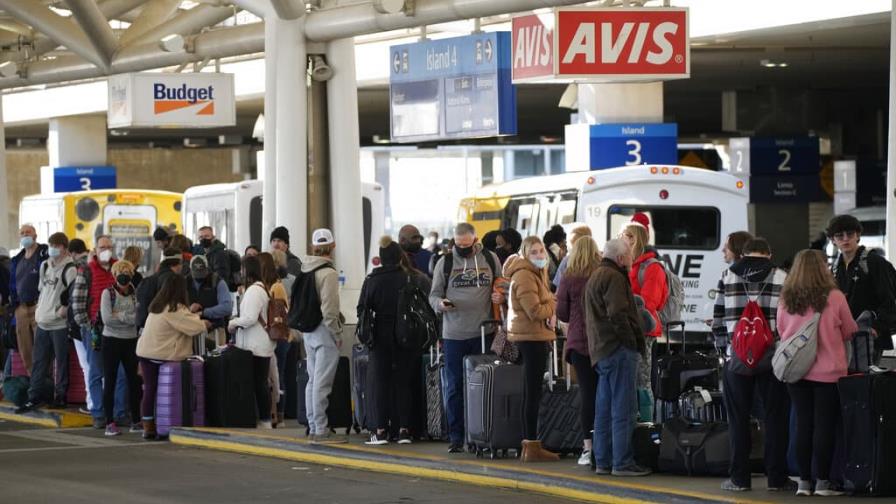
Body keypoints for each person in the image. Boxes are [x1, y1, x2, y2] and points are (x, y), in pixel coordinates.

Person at [713, 238, 792, 493]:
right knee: (775, 419)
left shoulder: (727, 276)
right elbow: (791, 320)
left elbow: (718, 320)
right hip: (773, 358)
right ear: (769, 254)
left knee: (738, 419)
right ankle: (777, 479)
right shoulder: (783, 277)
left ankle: (739, 479)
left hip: (737, 359)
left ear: (744, 254)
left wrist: (725, 351)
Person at [777, 250, 857, 497]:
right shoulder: (835, 297)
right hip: (828, 373)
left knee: (802, 425)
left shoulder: (787, 298)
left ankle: (803, 483)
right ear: (824, 269)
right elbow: (849, 330)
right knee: (825, 426)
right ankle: (822, 483)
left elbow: (781, 331)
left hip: (796, 372)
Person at [429, 222, 503, 453]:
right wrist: (440, 305)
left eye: (466, 244)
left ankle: (481, 435)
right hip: (454, 334)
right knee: (454, 387)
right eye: (457, 244)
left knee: (484, 386)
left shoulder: (490, 259)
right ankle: (456, 436)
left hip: (485, 332)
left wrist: (500, 295)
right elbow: (433, 295)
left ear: (475, 239)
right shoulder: (446, 262)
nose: (461, 248)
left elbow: (501, 284)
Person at [584, 238, 650, 477]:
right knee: (624, 409)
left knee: (603, 410)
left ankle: (603, 461)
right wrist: (631, 342)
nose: (631, 261)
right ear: (621, 258)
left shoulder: (596, 275)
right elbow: (618, 314)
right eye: (630, 257)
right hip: (618, 350)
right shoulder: (614, 277)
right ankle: (622, 463)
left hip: (601, 351)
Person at [359, 236, 431, 445]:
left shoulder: (373, 280)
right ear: (400, 257)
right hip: (406, 335)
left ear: (381, 259)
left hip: (379, 336)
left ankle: (380, 431)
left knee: (379, 383)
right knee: (403, 383)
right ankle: (404, 430)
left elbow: (362, 308)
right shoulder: (409, 278)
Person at [504, 236, 558, 462]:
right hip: (531, 339)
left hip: (533, 337)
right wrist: (554, 304)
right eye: (534, 252)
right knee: (532, 394)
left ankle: (530, 444)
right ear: (525, 254)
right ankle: (531, 445)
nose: (539, 256)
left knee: (531, 392)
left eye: (541, 251)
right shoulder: (525, 275)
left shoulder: (535, 273)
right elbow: (535, 311)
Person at [136, 274, 206, 440]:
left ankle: (148, 427)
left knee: (150, 390)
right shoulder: (174, 308)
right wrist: (203, 321)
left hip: (146, 353)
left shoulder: (158, 305)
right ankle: (166, 423)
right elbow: (195, 327)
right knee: (164, 391)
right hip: (161, 354)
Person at [71, 235, 128, 429]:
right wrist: (87, 326)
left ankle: (120, 413)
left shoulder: (119, 269)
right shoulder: (85, 271)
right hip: (95, 330)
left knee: (120, 373)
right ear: (95, 249)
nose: (106, 250)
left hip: (118, 330)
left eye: (109, 247)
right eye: (103, 247)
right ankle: (98, 413)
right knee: (96, 372)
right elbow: (77, 303)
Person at [16, 232, 77, 413]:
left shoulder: (70, 269)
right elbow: (42, 291)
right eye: (51, 245)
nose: (53, 249)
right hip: (42, 322)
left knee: (61, 362)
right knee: (39, 361)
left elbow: (73, 293)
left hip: (58, 325)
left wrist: (64, 309)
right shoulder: (44, 266)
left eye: (57, 246)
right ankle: (34, 396)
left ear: (65, 249)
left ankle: (60, 396)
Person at [556, 236, 602, 466]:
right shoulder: (602, 275)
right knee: (604, 394)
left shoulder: (568, 277)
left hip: (578, 343)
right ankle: (604, 445)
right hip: (602, 343)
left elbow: (561, 312)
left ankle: (587, 448)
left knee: (587, 395)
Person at [297, 229, 345, 443]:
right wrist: (337, 333)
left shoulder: (305, 269)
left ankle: (314, 426)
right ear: (333, 246)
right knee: (322, 383)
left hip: (308, 330)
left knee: (313, 380)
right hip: (324, 331)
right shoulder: (329, 273)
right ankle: (321, 430)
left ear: (313, 247)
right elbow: (330, 310)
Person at [827, 214, 896, 363]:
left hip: (869, 335)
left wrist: (877, 328)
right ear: (832, 240)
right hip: (842, 337)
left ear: (858, 235)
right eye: (839, 235)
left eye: (850, 234)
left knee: (865, 383)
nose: (845, 239)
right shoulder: (833, 269)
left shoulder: (875, 263)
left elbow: (890, 300)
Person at [620, 222, 667, 422]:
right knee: (632, 379)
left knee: (643, 379)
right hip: (626, 328)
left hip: (643, 331)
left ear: (634, 239)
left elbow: (650, 302)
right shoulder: (626, 265)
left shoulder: (652, 267)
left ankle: (647, 426)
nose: (620, 239)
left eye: (624, 236)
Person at [227, 255, 275, 429]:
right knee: (260, 382)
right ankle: (264, 419)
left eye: (242, 269)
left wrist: (233, 323)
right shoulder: (260, 288)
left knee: (259, 383)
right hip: (259, 344)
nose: (240, 272)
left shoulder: (255, 291)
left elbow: (250, 318)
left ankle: (264, 420)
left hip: (256, 345)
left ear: (248, 270)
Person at [98, 260, 141, 436]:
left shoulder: (135, 294)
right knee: (110, 381)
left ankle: (136, 420)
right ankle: (109, 422)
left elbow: (137, 318)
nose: (123, 275)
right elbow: (107, 319)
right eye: (120, 272)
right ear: (114, 275)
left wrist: (120, 315)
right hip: (111, 341)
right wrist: (128, 317)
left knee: (134, 382)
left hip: (131, 341)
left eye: (127, 272)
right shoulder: (107, 294)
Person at [9, 224, 49, 375]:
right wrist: (14, 306)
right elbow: (12, 285)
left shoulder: (44, 253)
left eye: (28, 232)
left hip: (39, 306)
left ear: (35, 235)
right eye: (22, 233)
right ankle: (33, 383)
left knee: (42, 348)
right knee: (25, 350)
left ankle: (44, 381)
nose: (25, 235)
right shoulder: (17, 259)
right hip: (21, 308)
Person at [258, 252, 288, 425]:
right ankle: (275, 412)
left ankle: (280, 413)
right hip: (272, 335)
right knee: (273, 375)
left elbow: (281, 312)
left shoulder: (276, 286)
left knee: (278, 374)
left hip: (279, 335)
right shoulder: (266, 286)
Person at [186, 255, 232, 349]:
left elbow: (227, 307)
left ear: (207, 269)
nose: (199, 277)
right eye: (196, 274)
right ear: (190, 270)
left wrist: (204, 312)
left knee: (216, 362)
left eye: (202, 273)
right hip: (191, 332)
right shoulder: (184, 282)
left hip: (215, 332)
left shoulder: (217, 281)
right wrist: (189, 310)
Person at [136, 248, 183, 332]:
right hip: (164, 328)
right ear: (178, 264)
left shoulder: (148, 280)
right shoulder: (174, 281)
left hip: (145, 327)